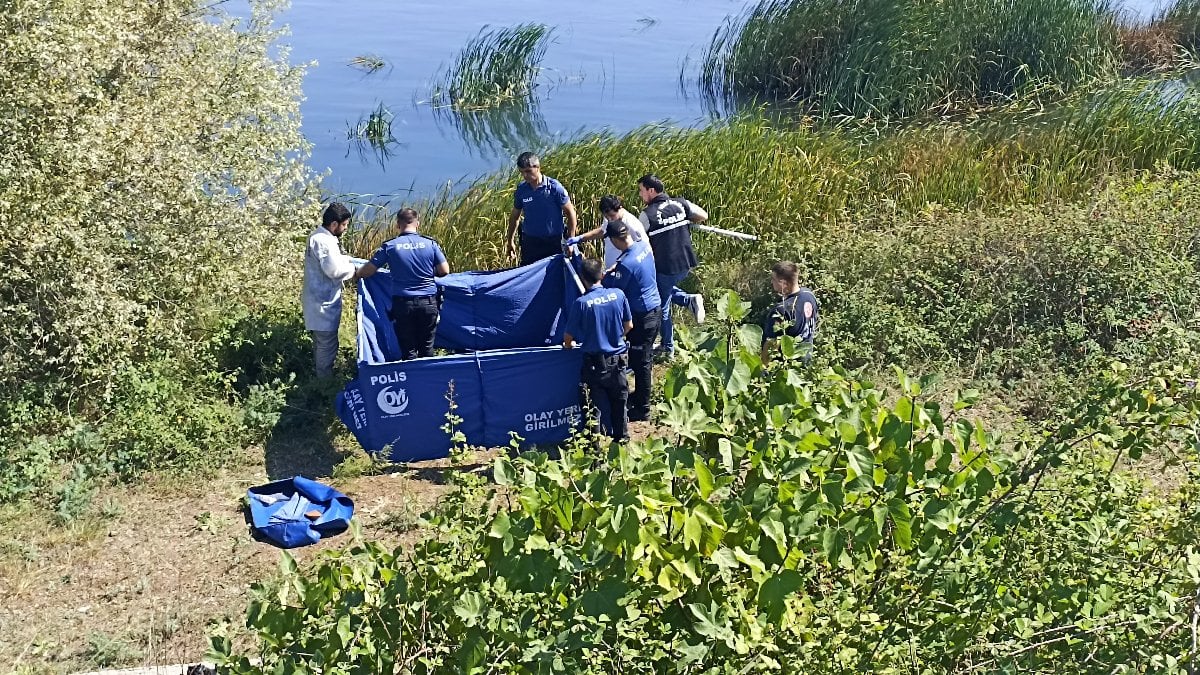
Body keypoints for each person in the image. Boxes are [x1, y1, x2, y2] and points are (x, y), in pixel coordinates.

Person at [356, 208, 450, 360]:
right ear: (417, 224)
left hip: (403, 304)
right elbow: (444, 270)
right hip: (428, 302)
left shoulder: (390, 246)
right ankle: (429, 381)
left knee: (408, 350)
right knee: (427, 349)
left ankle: (412, 381)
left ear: (397, 225)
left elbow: (368, 271)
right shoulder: (430, 244)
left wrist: (357, 273)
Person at [636, 173, 708, 359]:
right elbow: (703, 215)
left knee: (662, 308)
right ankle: (688, 300)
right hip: (685, 263)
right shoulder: (680, 203)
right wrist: (682, 220)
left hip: (666, 267)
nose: (641, 195)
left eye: (642, 191)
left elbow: (635, 240)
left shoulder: (647, 215)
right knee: (665, 290)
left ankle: (668, 348)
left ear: (651, 191)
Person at [563, 257, 633, 441]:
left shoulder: (582, 303)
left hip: (594, 365)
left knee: (592, 409)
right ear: (602, 275)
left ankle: (595, 451)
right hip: (617, 362)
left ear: (582, 278)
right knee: (619, 404)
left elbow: (568, 338)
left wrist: (569, 345)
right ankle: (622, 445)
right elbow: (629, 325)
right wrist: (615, 337)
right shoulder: (619, 295)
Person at [600, 221, 660, 422]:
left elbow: (612, 287)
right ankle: (640, 397)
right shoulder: (642, 246)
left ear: (616, 240)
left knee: (640, 361)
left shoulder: (626, 265)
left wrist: (603, 277)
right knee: (644, 359)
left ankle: (642, 409)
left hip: (642, 316)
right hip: (655, 307)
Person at [302, 202, 357, 378]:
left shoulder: (319, 236)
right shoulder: (324, 241)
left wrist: (349, 259)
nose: (345, 229)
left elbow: (335, 260)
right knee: (326, 345)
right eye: (344, 225)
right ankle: (324, 384)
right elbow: (333, 270)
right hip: (322, 304)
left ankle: (321, 378)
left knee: (321, 344)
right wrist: (355, 271)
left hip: (318, 301)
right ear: (334, 224)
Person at [506, 152, 578, 266]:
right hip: (531, 241)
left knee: (554, 273)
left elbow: (571, 214)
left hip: (553, 241)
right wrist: (510, 241)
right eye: (522, 172)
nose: (525, 175)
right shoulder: (521, 190)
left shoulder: (554, 188)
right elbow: (515, 217)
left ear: (538, 167)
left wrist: (571, 241)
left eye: (528, 171)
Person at [565, 194, 647, 270]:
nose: (610, 219)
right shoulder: (609, 217)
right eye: (607, 217)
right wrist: (581, 238)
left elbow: (644, 250)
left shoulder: (632, 225)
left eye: (612, 216)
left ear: (620, 208)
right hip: (611, 270)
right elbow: (602, 231)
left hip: (625, 271)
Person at [760, 261, 819, 364]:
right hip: (807, 360)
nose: (771, 282)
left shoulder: (782, 310)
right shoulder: (809, 295)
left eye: (774, 279)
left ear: (784, 283)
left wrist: (763, 369)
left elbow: (770, 345)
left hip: (786, 368)